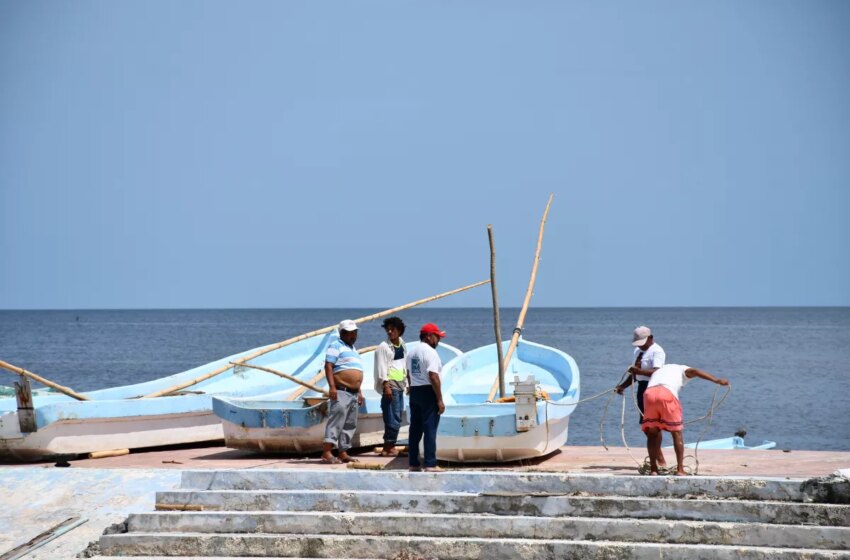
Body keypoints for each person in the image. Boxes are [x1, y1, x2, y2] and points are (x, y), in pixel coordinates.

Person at [642, 364, 730, 475]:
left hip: (649, 394)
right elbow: (696, 371)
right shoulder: (682, 369)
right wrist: (717, 380)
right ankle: (680, 469)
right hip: (666, 393)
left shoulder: (660, 370)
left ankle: (654, 470)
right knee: (676, 433)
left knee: (652, 433)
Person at [616, 325, 668, 466]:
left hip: (654, 388)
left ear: (650, 338)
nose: (642, 346)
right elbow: (634, 373)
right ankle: (658, 456)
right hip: (642, 388)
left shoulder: (657, 351)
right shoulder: (637, 351)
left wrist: (638, 371)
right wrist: (622, 386)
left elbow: (657, 372)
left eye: (643, 343)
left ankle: (660, 459)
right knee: (645, 424)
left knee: (653, 425)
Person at [320, 320, 364, 464]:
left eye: (355, 332)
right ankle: (327, 452)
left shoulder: (353, 349)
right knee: (336, 421)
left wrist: (359, 391)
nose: (353, 335)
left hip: (353, 392)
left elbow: (356, 372)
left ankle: (343, 452)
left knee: (350, 423)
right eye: (350, 333)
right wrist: (332, 387)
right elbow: (328, 366)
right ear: (342, 333)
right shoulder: (336, 346)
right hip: (341, 390)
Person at [406, 322, 446, 472]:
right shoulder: (430, 352)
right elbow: (433, 376)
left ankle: (413, 463)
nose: (438, 340)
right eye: (437, 337)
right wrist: (440, 399)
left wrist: (410, 388)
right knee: (430, 428)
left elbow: (408, 374)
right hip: (428, 391)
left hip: (415, 391)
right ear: (429, 336)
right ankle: (430, 463)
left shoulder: (412, 352)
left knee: (415, 429)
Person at [373, 316, 408, 457]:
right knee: (392, 417)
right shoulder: (383, 347)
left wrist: (408, 383)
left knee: (398, 415)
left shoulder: (402, 344)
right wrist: (386, 385)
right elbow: (382, 367)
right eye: (387, 329)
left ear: (399, 330)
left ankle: (390, 445)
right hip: (391, 384)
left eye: (392, 329)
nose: (389, 332)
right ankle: (388, 447)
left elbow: (404, 364)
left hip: (400, 384)